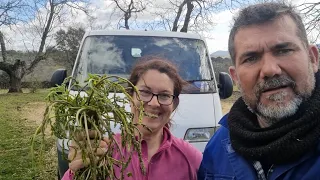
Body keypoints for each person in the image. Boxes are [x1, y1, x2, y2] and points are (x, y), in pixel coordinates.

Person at [198, 2, 320, 180]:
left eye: (284, 50)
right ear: (236, 77)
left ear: (313, 58)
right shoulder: (218, 149)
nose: (270, 70)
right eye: (251, 58)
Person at [62, 57, 202, 180]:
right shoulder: (103, 152)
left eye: (164, 96)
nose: (154, 103)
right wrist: (76, 173)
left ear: (174, 104)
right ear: (130, 96)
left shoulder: (190, 158)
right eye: (145, 92)